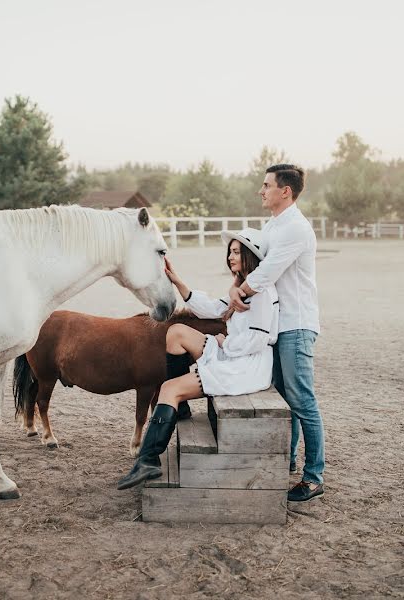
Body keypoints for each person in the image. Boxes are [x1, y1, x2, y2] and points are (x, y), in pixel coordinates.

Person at [117, 228, 278, 490]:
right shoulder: (242, 288)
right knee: (176, 332)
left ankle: (148, 460)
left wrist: (227, 342)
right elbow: (214, 309)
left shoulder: (262, 293)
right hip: (233, 354)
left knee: (169, 388)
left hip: (246, 365)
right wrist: (177, 281)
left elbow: (259, 339)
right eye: (230, 252)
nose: (230, 257)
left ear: (250, 256)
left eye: (236, 252)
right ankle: (179, 408)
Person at [228, 164, 325, 502]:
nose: (261, 190)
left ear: (286, 191)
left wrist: (241, 292)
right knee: (285, 398)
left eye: (266, 185)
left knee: (302, 400)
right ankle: (289, 460)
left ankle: (313, 477)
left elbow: (268, 270)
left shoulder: (296, 228)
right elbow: (254, 262)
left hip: (297, 323)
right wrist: (236, 281)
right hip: (279, 324)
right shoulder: (272, 226)